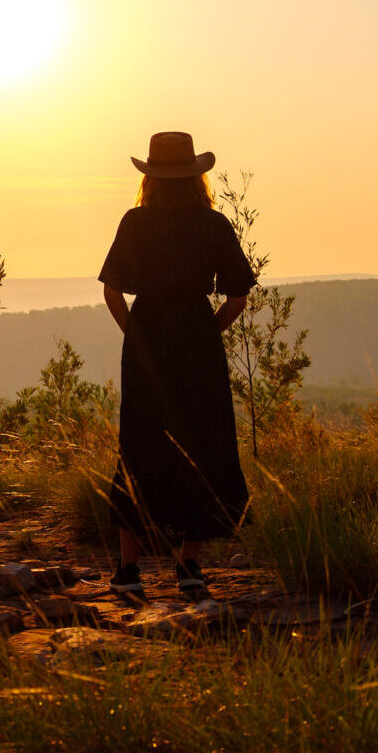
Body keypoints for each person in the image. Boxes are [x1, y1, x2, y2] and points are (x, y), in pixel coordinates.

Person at [98, 131, 256, 598]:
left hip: (146, 338)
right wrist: (208, 333)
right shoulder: (214, 225)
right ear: (196, 177)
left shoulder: (134, 222)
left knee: (139, 445)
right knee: (201, 446)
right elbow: (238, 295)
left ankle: (128, 570)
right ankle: (188, 566)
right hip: (196, 340)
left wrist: (137, 335)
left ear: (151, 177)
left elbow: (111, 291)